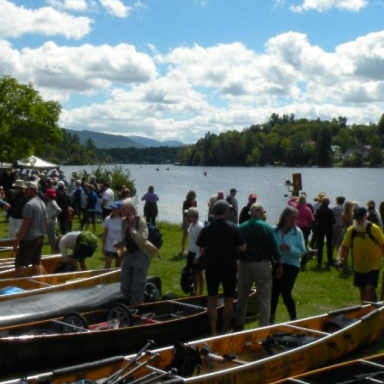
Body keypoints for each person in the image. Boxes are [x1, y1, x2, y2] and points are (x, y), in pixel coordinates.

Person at [196, 200, 246, 335]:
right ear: (225, 211)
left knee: (211, 299)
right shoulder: (233, 227)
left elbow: (201, 249)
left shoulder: (207, 228)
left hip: (212, 267)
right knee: (229, 298)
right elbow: (242, 247)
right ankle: (224, 330)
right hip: (229, 267)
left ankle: (213, 330)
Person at [233, 203, 282, 330]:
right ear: (260, 213)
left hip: (244, 265)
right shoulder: (266, 227)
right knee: (264, 298)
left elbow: (236, 247)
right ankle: (263, 326)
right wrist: (279, 264)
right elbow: (274, 248)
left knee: (242, 296)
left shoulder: (241, 227)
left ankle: (239, 323)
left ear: (250, 213)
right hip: (262, 264)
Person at [340, 207, 384, 303]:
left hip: (373, 264)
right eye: (357, 219)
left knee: (369, 288)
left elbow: (382, 244)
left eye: (361, 218)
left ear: (366, 216)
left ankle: (374, 309)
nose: (359, 221)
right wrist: (340, 259)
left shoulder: (374, 229)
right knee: (363, 290)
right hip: (359, 266)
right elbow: (344, 246)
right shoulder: (352, 230)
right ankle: (364, 311)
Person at [270, 207, 306, 323]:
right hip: (277, 263)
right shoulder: (274, 230)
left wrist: (290, 248)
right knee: (274, 292)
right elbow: (269, 248)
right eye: (292, 217)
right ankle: (271, 318)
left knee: (286, 292)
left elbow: (302, 251)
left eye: (296, 218)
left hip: (291, 264)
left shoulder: (297, 232)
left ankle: (293, 319)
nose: (294, 220)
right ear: (285, 216)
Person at [120, 198, 151, 305]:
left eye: (123, 209)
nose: (122, 211)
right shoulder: (124, 222)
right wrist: (119, 243)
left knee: (137, 286)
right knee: (124, 286)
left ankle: (137, 307)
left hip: (140, 255)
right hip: (129, 254)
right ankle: (130, 305)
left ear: (131, 209)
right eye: (121, 209)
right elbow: (124, 237)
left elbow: (143, 239)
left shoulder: (140, 221)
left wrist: (134, 232)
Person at [13, 181, 47, 277]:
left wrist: (17, 242)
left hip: (29, 239)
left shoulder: (29, 205)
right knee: (36, 262)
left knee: (19, 263)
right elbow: (46, 222)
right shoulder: (42, 203)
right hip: (40, 237)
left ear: (32, 190)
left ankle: (17, 283)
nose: (24, 191)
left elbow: (25, 225)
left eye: (26, 189)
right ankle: (40, 284)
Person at [184, 207, 205, 296]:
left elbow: (202, 243)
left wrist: (197, 256)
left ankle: (200, 292)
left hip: (197, 252)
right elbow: (190, 233)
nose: (186, 216)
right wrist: (188, 224)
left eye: (188, 215)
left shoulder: (199, 227)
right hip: (191, 251)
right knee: (193, 273)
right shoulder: (193, 224)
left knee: (198, 272)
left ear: (192, 216)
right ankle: (194, 291)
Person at [314, 196, 336, 268]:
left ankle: (319, 261)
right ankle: (330, 261)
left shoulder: (319, 210)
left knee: (320, 245)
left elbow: (315, 219)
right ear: (328, 203)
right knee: (329, 245)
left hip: (320, 228)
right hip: (328, 229)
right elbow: (334, 221)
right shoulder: (330, 211)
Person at [102, 201, 123, 269]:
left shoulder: (123, 220)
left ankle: (117, 278)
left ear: (120, 210)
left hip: (119, 245)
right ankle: (106, 278)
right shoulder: (108, 219)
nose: (114, 210)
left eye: (115, 208)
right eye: (113, 208)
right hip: (109, 244)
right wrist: (103, 246)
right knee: (108, 264)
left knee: (118, 265)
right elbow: (105, 233)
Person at [44, 188, 62, 254]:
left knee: (53, 239)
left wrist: (54, 216)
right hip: (49, 222)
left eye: (46, 195)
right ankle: (54, 251)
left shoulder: (52, 202)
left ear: (49, 196)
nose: (45, 196)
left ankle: (55, 251)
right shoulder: (49, 202)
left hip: (51, 222)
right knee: (51, 238)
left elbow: (59, 210)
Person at [181, 190, 197, 256]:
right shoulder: (186, 202)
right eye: (194, 195)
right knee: (185, 235)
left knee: (193, 236)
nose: (195, 196)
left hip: (193, 220)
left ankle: (191, 249)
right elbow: (184, 212)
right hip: (186, 220)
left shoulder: (195, 202)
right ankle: (182, 249)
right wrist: (187, 221)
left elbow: (196, 211)